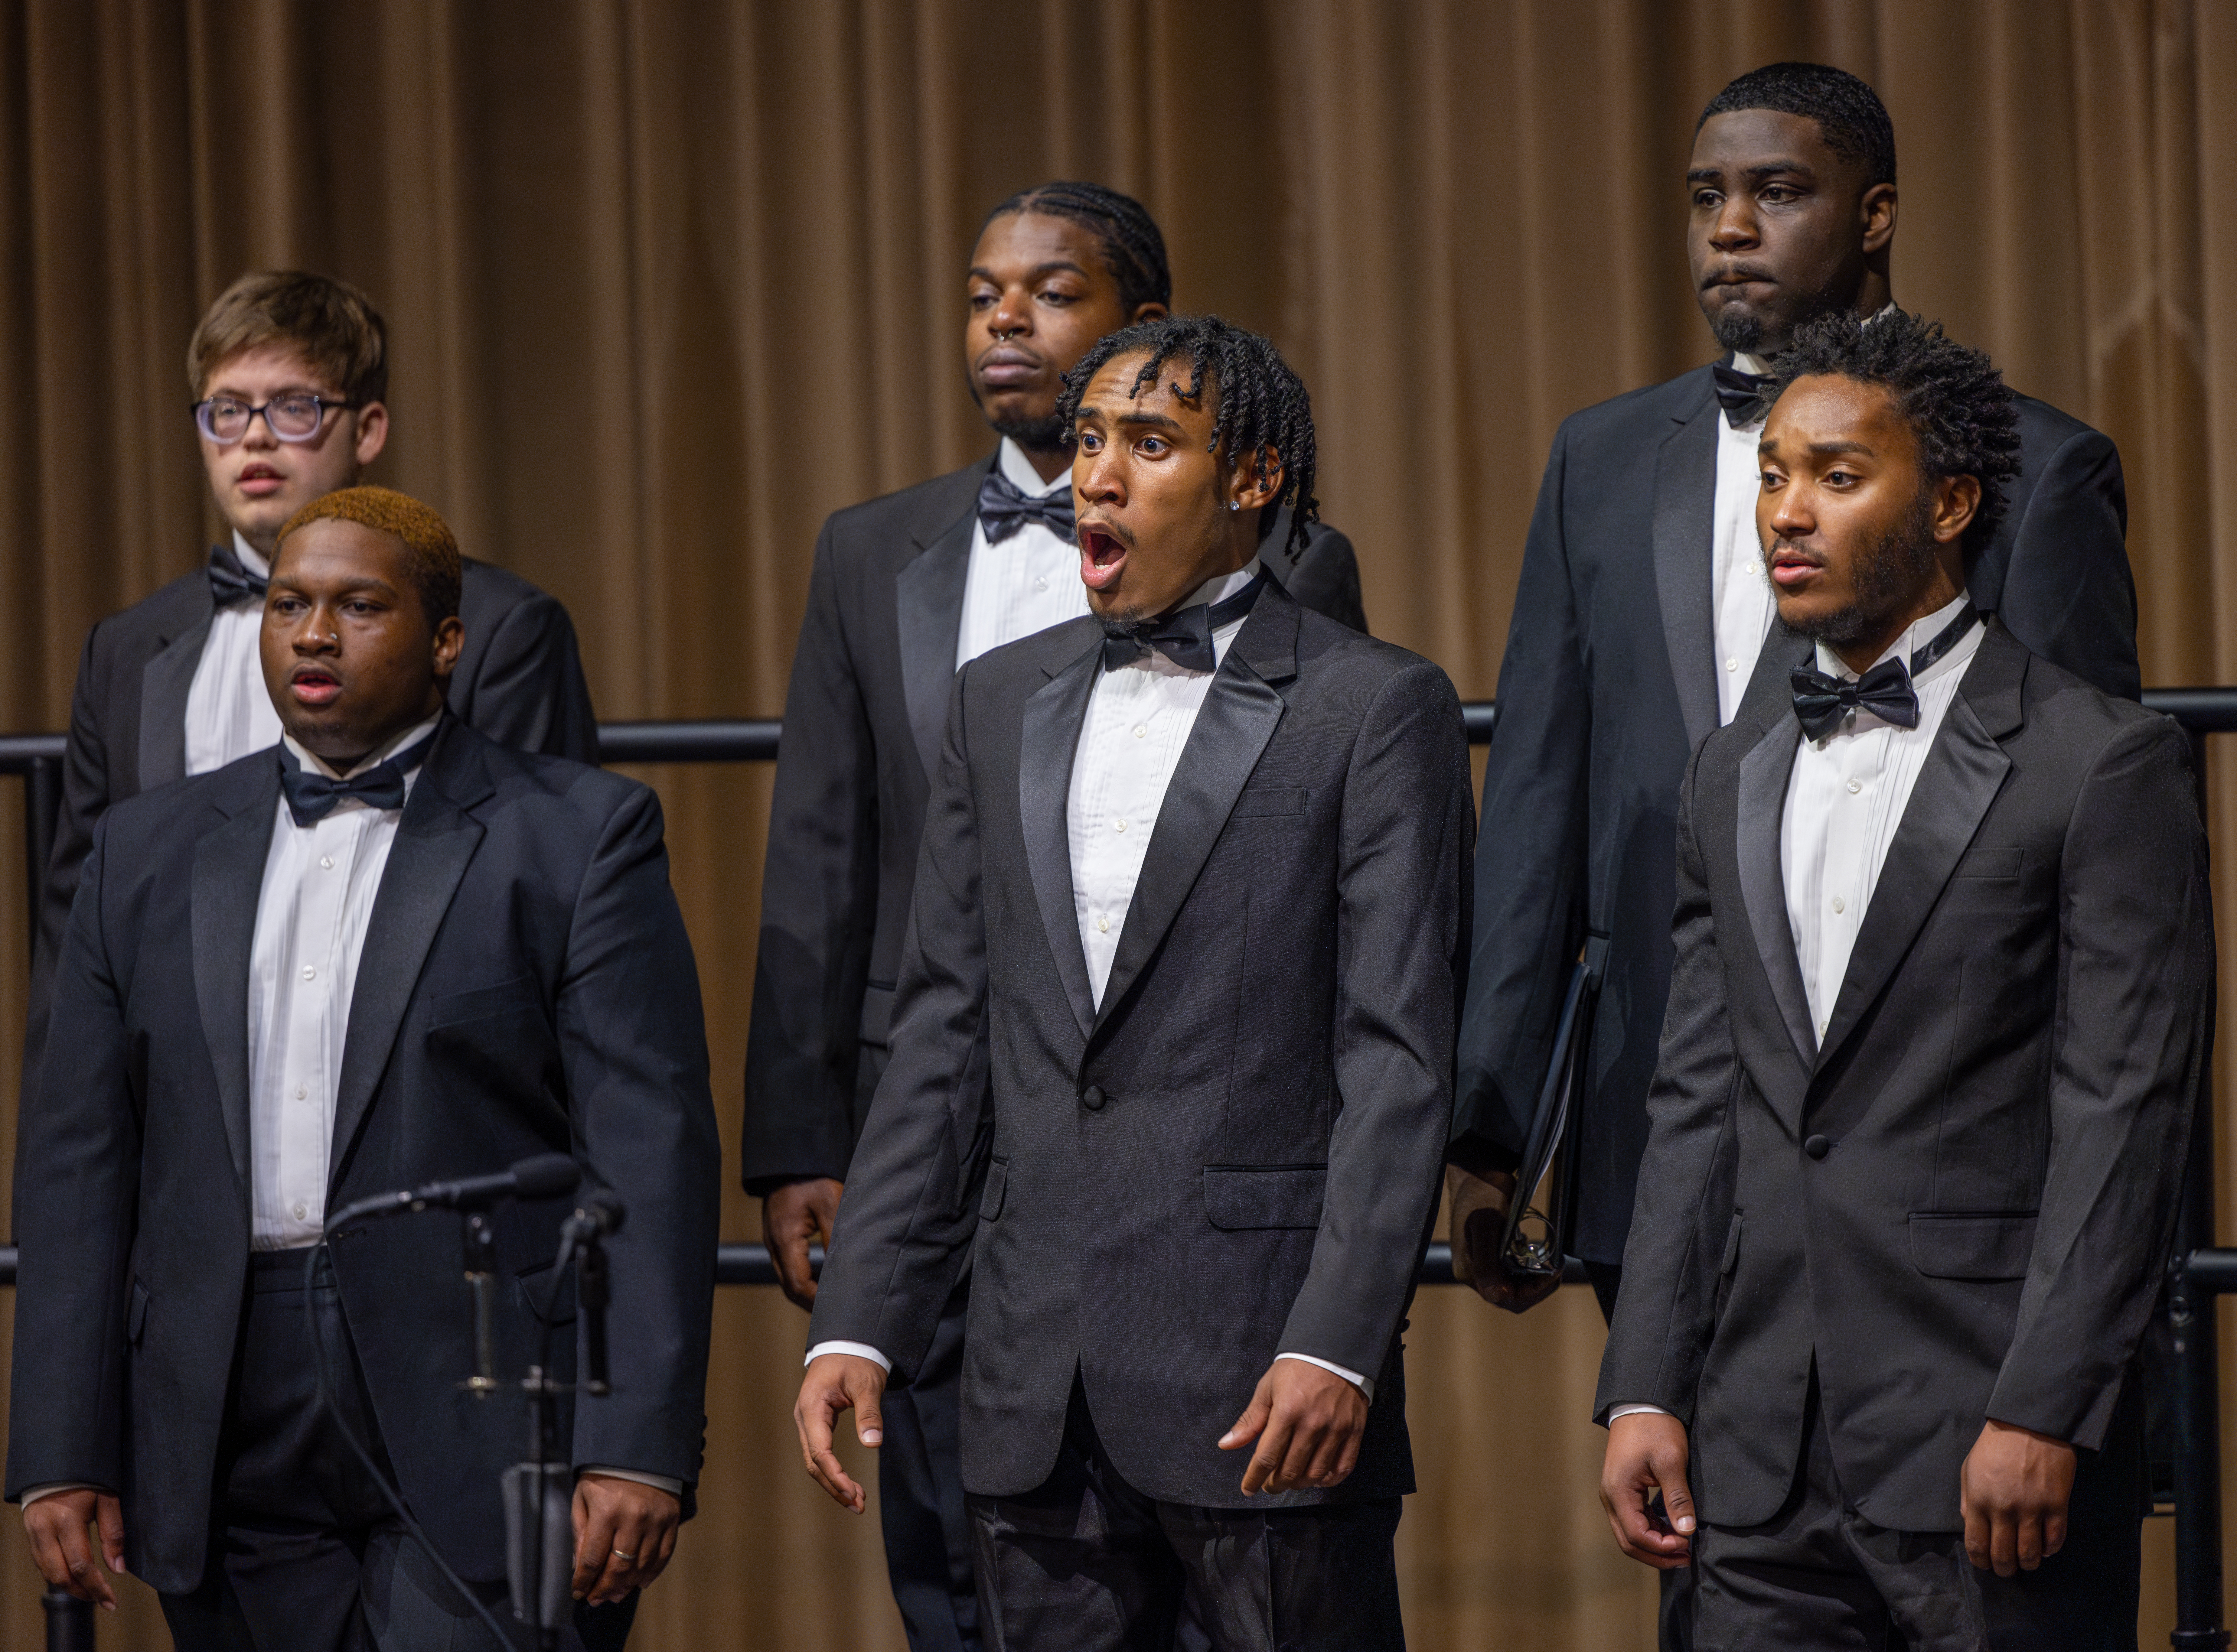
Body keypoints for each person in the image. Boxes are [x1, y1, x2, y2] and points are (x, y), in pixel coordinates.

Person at [742, 182, 1368, 1651]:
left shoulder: (1321, 619)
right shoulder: (898, 583)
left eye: (1050, 292)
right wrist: (813, 1166)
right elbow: (831, 863)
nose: (1005, 319)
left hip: (1219, 1231)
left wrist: (1337, 1321)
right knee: (963, 1564)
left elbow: (1325, 928)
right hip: (969, 1163)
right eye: (981, 293)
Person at [1450, 61, 2139, 1308]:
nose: (1728, 228)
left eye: (1775, 193)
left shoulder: (2030, 469)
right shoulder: (1600, 456)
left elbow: (2092, 852)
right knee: (1657, 1441)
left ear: (1874, 215)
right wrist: (1491, 1123)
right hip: (1645, 1111)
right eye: (1703, 196)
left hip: (1929, 1142)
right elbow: (1540, 792)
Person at [8, 487, 719, 1650]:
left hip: (486, 1396)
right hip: (222, 1399)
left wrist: (639, 1439)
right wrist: (61, 1445)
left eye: (360, 607)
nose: (315, 635)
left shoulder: (579, 835)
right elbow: (77, 1159)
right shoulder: (143, 852)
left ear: (447, 642)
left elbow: (648, 1152)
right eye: (289, 605)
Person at [1595, 310, 2211, 1650]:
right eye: (1773, 475)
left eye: (1836, 475)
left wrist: (2043, 1406)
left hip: (1989, 1441)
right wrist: (1644, 1381)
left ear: (1948, 503)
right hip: (1756, 1458)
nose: (1786, 513)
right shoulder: (1729, 771)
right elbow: (1697, 1100)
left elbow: (2123, 1116)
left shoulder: (2100, 763)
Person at [24, 270, 599, 1116]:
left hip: (417, 1097)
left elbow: (543, 899)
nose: (255, 438)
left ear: (368, 429)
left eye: (294, 407)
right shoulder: (125, 650)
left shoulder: (499, 626)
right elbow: (75, 932)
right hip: (181, 1110)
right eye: (227, 410)